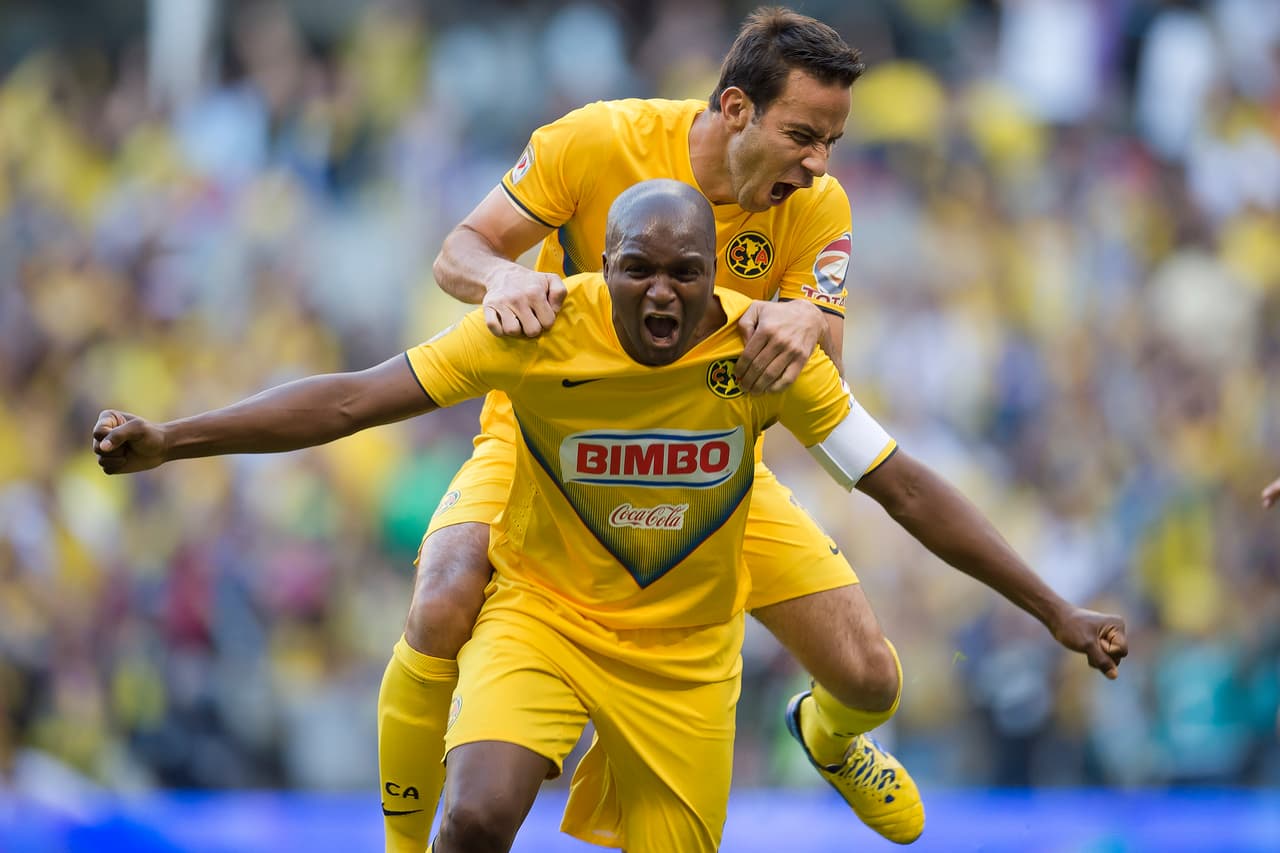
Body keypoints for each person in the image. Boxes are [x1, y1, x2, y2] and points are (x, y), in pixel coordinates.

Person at [95, 181, 1127, 852]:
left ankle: (827, 732)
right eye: (638, 269)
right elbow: (351, 398)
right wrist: (172, 439)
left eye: (688, 271)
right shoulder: (536, 332)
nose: (663, 292)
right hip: (544, 612)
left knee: (869, 672)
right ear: (603, 270)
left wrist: (1052, 611)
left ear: (720, 272)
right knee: (478, 812)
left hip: (682, 651)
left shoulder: (764, 356)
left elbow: (900, 483)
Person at [379, 8, 1118, 850]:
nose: (818, 162)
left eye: (832, 140)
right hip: (547, 447)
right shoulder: (594, 142)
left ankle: (828, 735)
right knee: (441, 599)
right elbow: (460, 251)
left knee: (870, 677)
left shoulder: (816, 205)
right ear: (735, 109)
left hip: (703, 465)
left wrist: (807, 316)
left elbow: (823, 374)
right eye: (803, 133)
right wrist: (505, 277)